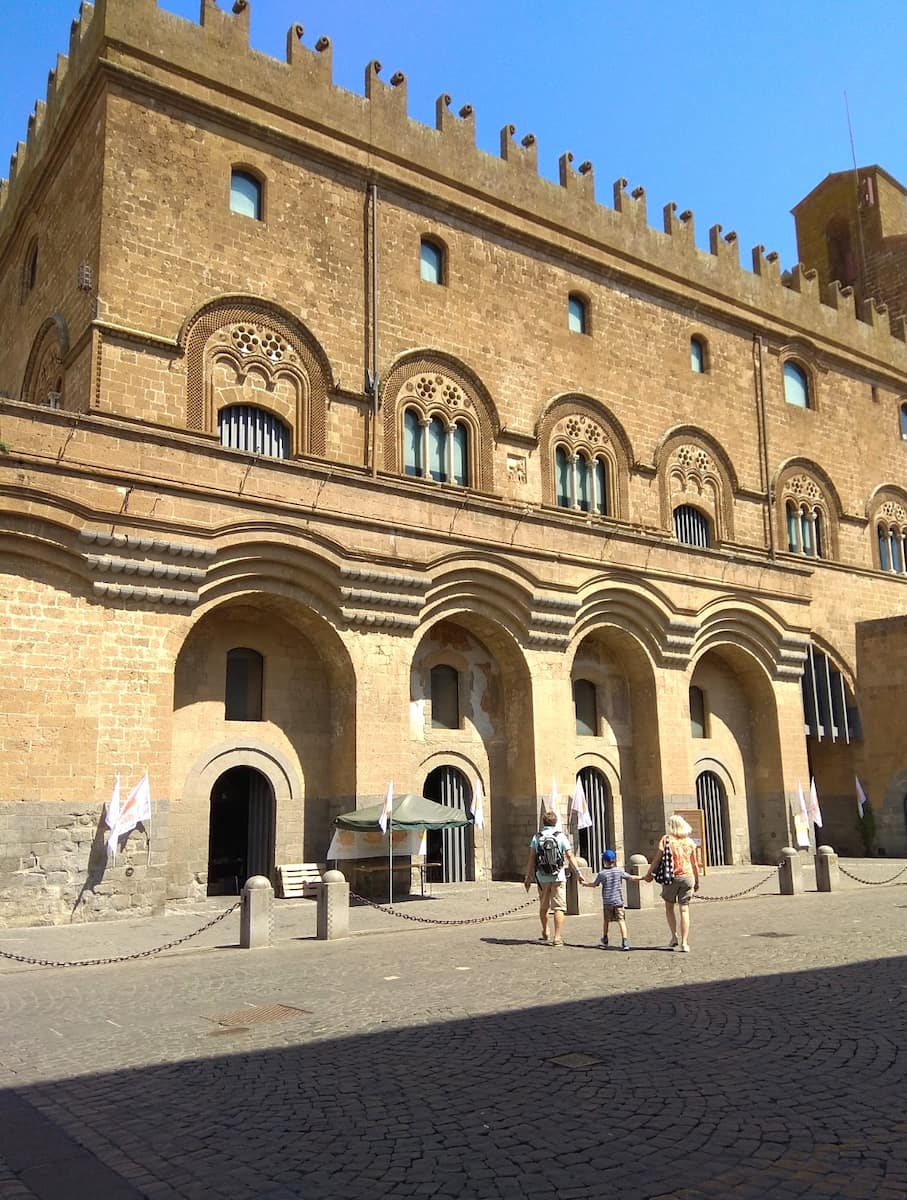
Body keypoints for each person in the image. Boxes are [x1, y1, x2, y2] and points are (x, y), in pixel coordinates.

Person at [523, 810, 585, 947]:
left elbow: (531, 859)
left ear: (543, 822)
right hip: (558, 876)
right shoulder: (561, 837)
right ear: (555, 823)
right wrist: (578, 872)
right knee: (559, 907)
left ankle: (545, 931)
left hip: (542, 877)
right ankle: (557, 937)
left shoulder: (537, 837)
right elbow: (570, 856)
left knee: (544, 907)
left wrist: (528, 877)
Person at [645, 813, 700, 952]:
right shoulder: (689, 842)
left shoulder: (667, 839)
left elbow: (657, 859)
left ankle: (674, 936)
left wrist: (649, 873)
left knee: (669, 907)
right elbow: (694, 865)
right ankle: (685, 942)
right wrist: (697, 881)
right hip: (688, 877)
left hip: (671, 878)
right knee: (684, 909)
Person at [579, 849, 633, 950]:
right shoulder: (619, 871)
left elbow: (594, 884)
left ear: (604, 861)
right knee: (621, 921)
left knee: (606, 921)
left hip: (607, 902)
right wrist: (643, 877)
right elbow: (630, 877)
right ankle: (625, 941)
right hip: (619, 901)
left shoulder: (602, 874)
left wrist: (585, 884)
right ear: (614, 860)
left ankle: (605, 937)